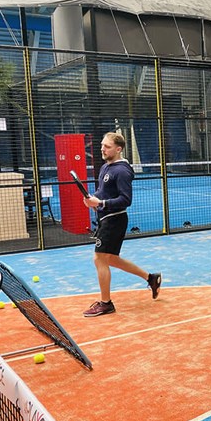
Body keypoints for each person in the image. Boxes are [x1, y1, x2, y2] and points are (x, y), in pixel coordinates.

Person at [82, 132, 161, 317]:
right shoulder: (105, 167)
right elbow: (102, 192)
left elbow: (126, 200)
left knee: (99, 259)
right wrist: (93, 200)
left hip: (114, 220)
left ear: (118, 149)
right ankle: (151, 278)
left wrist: (101, 203)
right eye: (102, 145)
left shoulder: (122, 171)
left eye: (107, 146)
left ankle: (106, 303)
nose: (102, 149)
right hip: (105, 219)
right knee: (111, 259)